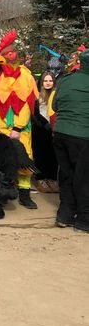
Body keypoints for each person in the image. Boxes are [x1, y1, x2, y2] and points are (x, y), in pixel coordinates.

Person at [0, 29, 40, 209]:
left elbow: (26, 103)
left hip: (18, 126)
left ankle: (25, 194)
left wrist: (18, 127)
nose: (6, 58)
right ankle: (2, 192)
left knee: (24, 159)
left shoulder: (25, 74)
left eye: (10, 54)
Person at [51, 50, 89, 232]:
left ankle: (64, 215)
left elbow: (54, 106)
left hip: (61, 134)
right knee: (84, 178)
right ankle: (84, 220)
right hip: (83, 136)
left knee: (66, 175)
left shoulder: (65, 80)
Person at [32, 71, 58, 193]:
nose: (48, 83)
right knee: (40, 155)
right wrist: (45, 125)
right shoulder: (37, 96)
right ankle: (40, 179)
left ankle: (52, 179)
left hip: (54, 129)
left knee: (53, 155)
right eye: (45, 81)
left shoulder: (56, 95)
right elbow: (35, 114)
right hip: (40, 129)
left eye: (50, 81)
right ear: (41, 82)